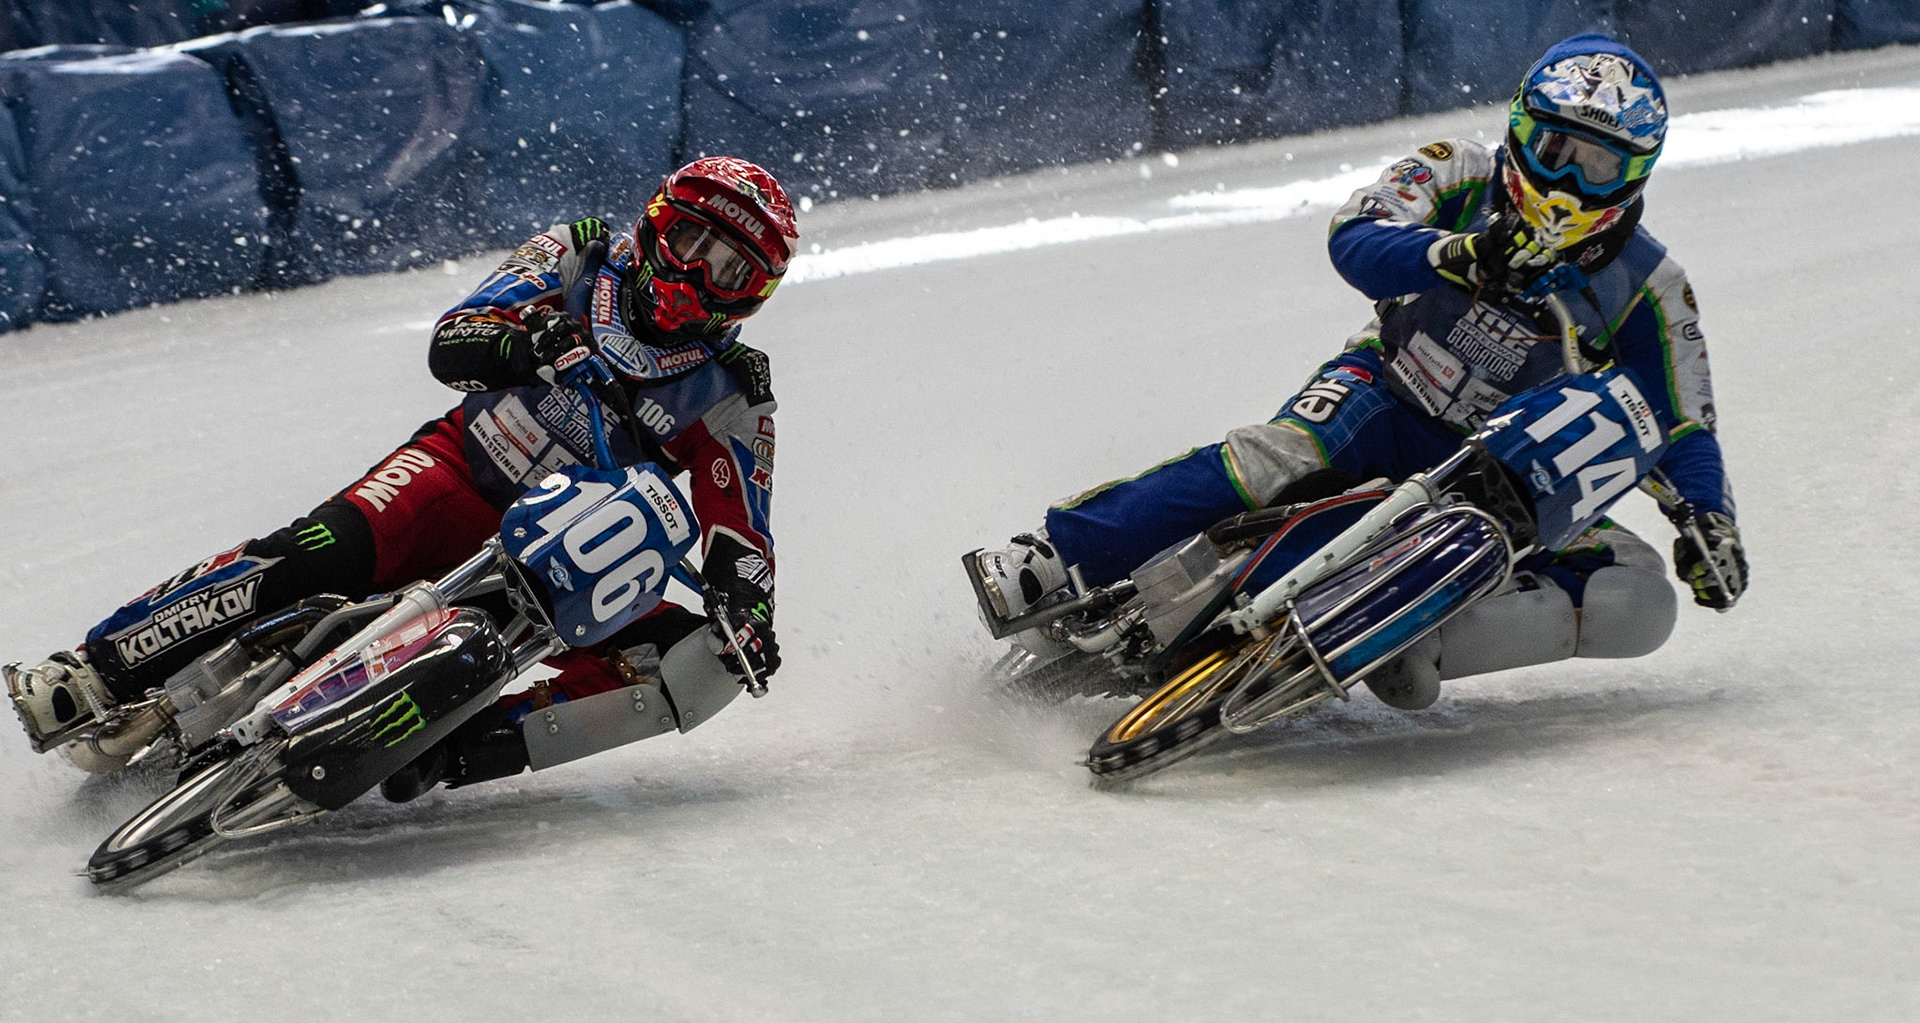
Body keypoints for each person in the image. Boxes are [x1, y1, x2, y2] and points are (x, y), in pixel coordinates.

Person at [970, 34, 1748, 708]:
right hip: (1384, 390)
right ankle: (1056, 554)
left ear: (1638, 174)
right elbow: (1354, 235)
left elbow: (1677, 418)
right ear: (1518, 132)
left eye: (1600, 166)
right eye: (1555, 154)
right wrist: (1458, 253)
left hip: (1508, 470)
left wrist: (1706, 517)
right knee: (1277, 455)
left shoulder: (1652, 288)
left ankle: (1418, 643)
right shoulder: (1456, 172)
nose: (1570, 185)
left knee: (1637, 593)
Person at [7, 156, 797, 793]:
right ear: (657, 224)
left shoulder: (735, 394)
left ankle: (465, 748)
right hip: (456, 471)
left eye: (727, 270)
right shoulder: (577, 252)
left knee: (705, 665)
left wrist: (747, 613)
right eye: (692, 244)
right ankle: (97, 668)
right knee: (316, 552)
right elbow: (452, 342)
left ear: (752, 297)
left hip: (558, 565)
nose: (696, 277)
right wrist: (528, 348)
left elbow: (743, 535)